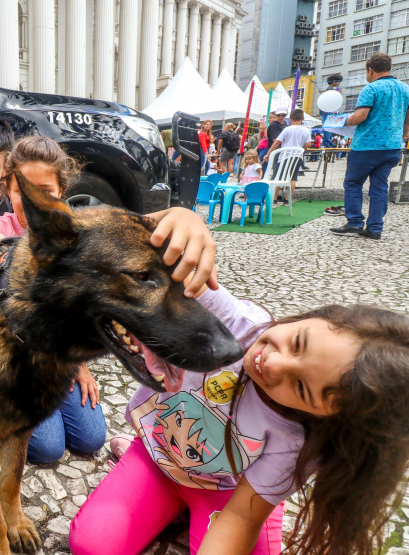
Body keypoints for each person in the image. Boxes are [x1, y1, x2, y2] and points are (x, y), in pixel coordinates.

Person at [70, 277, 409, 555]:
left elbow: (239, 519)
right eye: (298, 343)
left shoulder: (297, 441)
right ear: (317, 316)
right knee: (91, 546)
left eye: (301, 388)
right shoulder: (236, 323)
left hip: (230, 493)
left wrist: (254, 503)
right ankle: (144, 466)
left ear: (324, 418)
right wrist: (185, 221)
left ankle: (268, 494)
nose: (273, 364)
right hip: (157, 458)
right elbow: (166, 262)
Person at [0, 136, 221, 463]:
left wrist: (187, 217)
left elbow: (135, 228)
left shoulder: (79, 229)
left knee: (90, 439)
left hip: (63, 357)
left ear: (61, 190)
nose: (33, 201)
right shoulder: (4, 225)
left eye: (44, 191)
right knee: (47, 449)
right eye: (22, 192)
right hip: (19, 352)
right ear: (10, 191)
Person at [331, 52, 409, 240]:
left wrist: (340, 121)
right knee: (379, 187)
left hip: (367, 146)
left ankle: (355, 222)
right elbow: (407, 121)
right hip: (391, 147)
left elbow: (359, 117)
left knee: (353, 183)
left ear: (370, 70)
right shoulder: (405, 89)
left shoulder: (371, 88)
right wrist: (401, 138)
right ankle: (375, 228)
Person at [263, 108, 311, 204]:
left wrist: (268, 154)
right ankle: (288, 199)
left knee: (278, 176)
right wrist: (302, 148)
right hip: (297, 156)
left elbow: (277, 142)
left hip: (284, 156)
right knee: (292, 178)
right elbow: (308, 144)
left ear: (291, 120)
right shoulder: (306, 130)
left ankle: (274, 199)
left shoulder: (287, 129)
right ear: (303, 119)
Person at [262, 110, 287, 177]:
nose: (280, 117)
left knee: (280, 170)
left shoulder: (284, 123)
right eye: (279, 115)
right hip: (276, 148)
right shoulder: (274, 125)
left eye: (283, 115)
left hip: (279, 148)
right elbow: (276, 140)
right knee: (277, 170)